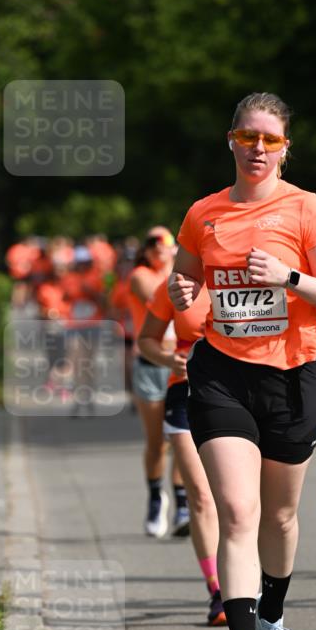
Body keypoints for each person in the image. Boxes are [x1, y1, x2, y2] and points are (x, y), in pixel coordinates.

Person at [168, 91, 316, 630]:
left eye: (270, 139)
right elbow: (190, 288)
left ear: (285, 148)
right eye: (248, 137)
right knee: (238, 511)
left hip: (293, 375)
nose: (258, 149)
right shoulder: (203, 213)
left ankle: (272, 618)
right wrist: (182, 295)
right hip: (221, 371)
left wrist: (289, 277)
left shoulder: (305, 209)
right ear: (232, 140)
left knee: (280, 514)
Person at [138, 277, 226, 626]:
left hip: (240, 393)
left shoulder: (244, 274)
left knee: (243, 497)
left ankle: (249, 581)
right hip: (186, 394)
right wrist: (168, 359)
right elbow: (146, 340)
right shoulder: (173, 286)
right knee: (202, 496)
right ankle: (218, 590)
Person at [129, 229, 185, 538]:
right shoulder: (141, 275)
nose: (157, 248)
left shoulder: (183, 275)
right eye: (151, 243)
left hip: (179, 363)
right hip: (152, 364)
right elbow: (161, 299)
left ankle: (181, 502)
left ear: (175, 247)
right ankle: (154, 497)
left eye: (163, 241)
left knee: (181, 436)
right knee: (157, 442)